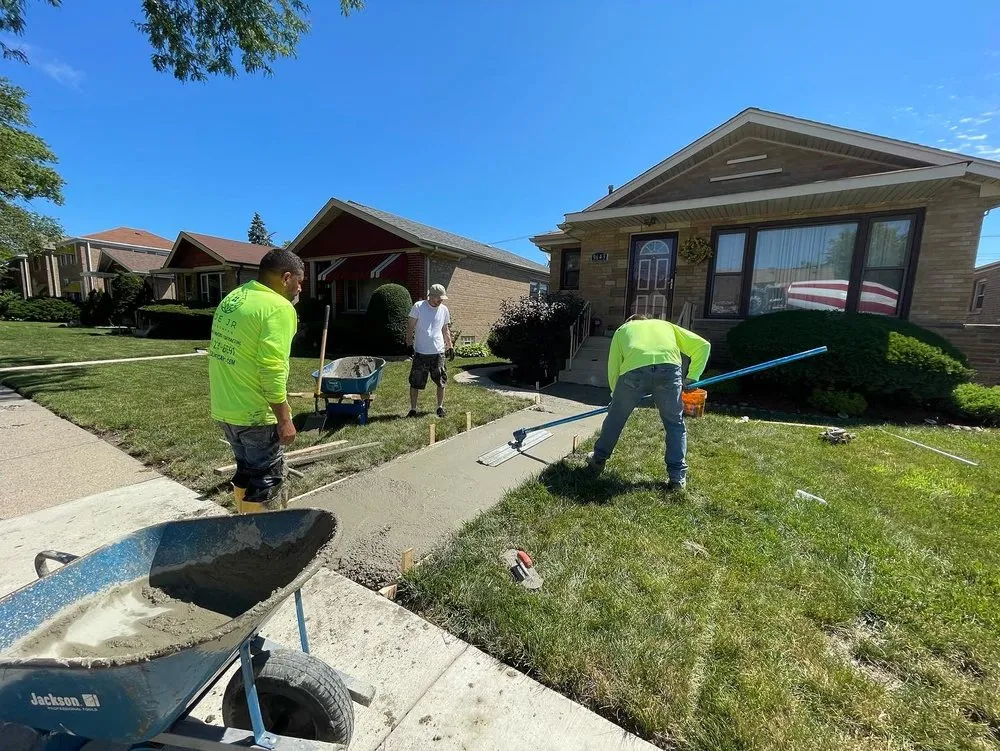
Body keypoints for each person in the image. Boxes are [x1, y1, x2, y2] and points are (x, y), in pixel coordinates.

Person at [209, 248, 304, 513]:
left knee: (246, 472)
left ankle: (243, 526)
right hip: (256, 414)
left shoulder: (235, 298)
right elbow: (272, 368)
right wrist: (284, 420)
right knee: (267, 482)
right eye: (299, 282)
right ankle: (266, 544)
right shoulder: (278, 308)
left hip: (227, 409)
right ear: (286, 278)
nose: (299, 290)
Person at [589, 315, 710, 491]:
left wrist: (617, 397)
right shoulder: (665, 325)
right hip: (668, 370)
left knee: (615, 419)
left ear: (630, 322)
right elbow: (703, 345)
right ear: (645, 320)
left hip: (634, 372)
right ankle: (677, 478)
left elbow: (614, 366)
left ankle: (598, 460)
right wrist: (693, 376)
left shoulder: (622, 330)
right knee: (675, 424)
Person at [406, 283, 454, 418]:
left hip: (438, 352)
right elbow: (410, 327)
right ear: (431, 296)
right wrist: (409, 344)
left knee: (441, 381)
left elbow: (445, 329)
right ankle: (413, 409)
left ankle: (440, 407)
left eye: (442, 299)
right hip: (421, 352)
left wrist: (450, 346)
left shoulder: (444, 309)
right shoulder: (418, 307)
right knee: (415, 382)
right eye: (439, 298)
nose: (441, 301)